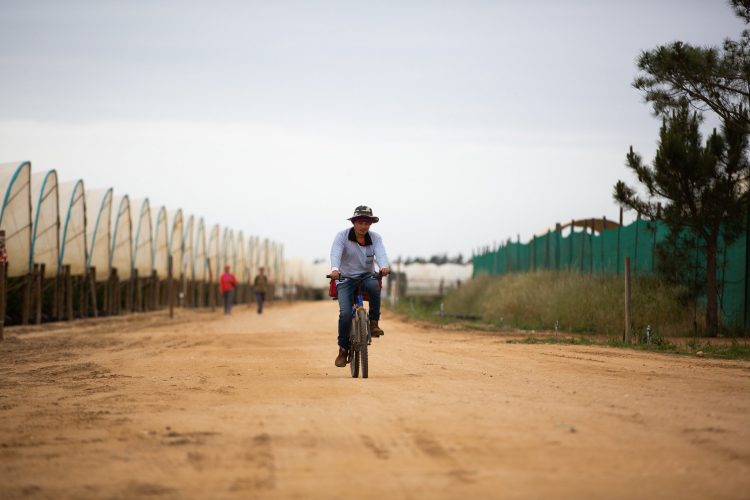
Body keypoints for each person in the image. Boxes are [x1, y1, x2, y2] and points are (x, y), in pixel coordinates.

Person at [330, 205, 391, 368]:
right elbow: (335, 253)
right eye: (360, 222)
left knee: (374, 288)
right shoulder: (342, 237)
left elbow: (381, 254)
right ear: (354, 222)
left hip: (366, 276)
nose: (364, 226)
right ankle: (343, 349)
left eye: (367, 223)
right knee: (344, 314)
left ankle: (373, 323)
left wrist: (384, 266)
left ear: (371, 224)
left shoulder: (375, 238)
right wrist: (335, 269)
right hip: (345, 278)